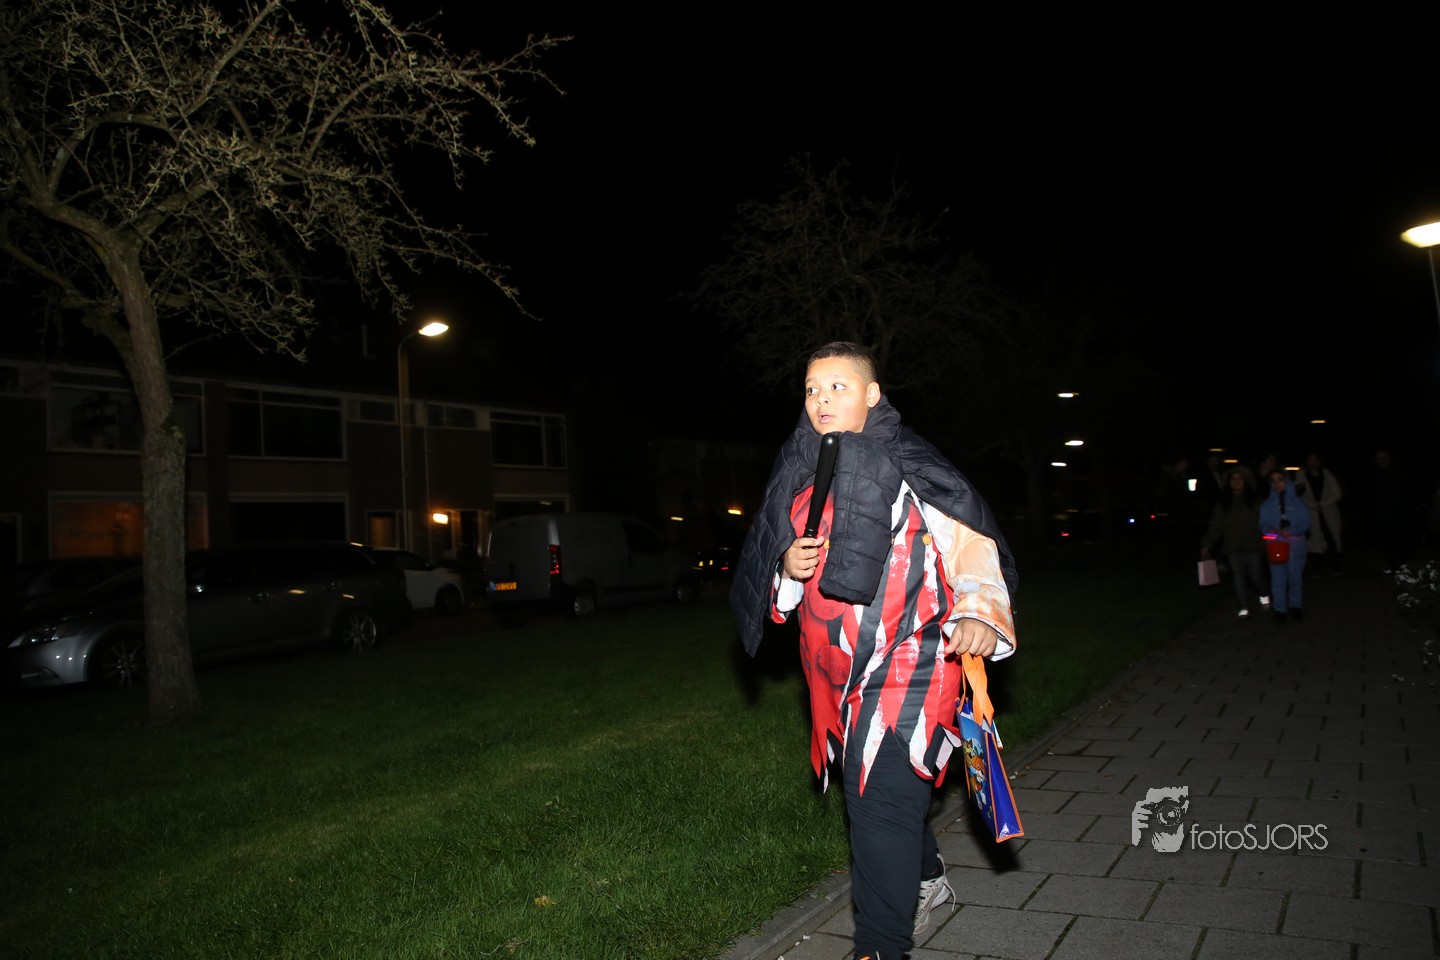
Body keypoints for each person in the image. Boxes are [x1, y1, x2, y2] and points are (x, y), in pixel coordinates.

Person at [731, 341, 1018, 960]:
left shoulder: (914, 466)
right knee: (875, 790)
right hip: (833, 673)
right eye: (812, 389)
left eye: (837, 386)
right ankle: (924, 876)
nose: (821, 399)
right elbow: (776, 584)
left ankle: (880, 948)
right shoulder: (798, 474)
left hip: (913, 663)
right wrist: (786, 564)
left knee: (879, 797)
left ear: (872, 394)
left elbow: (972, 546)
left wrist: (978, 612)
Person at [1199, 467, 1269, 618]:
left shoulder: (1256, 501)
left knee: (1255, 575)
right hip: (1232, 546)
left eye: (1239, 478)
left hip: (1253, 545)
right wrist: (1207, 544)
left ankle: (1264, 595)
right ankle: (1243, 607)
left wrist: (1270, 539)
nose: (1236, 482)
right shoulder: (1223, 504)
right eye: (1233, 479)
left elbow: (1266, 523)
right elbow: (1216, 525)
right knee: (1238, 578)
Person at [1259, 468, 1310, 624]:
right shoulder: (1267, 505)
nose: (1277, 484)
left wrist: (1292, 531)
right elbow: (1263, 525)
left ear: (1286, 481)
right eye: (1273, 481)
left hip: (1295, 549)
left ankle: (1295, 607)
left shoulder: (1298, 503)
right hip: (1276, 547)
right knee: (1278, 581)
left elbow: (1306, 523)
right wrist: (1271, 531)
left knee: (1295, 579)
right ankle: (1280, 610)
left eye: (1280, 480)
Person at [1292, 452, 1343, 576]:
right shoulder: (1301, 477)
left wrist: (1324, 504)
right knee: (1314, 543)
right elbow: (1297, 496)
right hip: (1312, 514)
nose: (1312, 463)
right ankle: (1317, 570)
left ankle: (1336, 568)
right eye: (1310, 461)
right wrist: (1313, 506)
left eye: (1314, 460)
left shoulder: (1327, 476)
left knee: (1332, 540)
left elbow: (1337, 494)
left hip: (1328, 513)